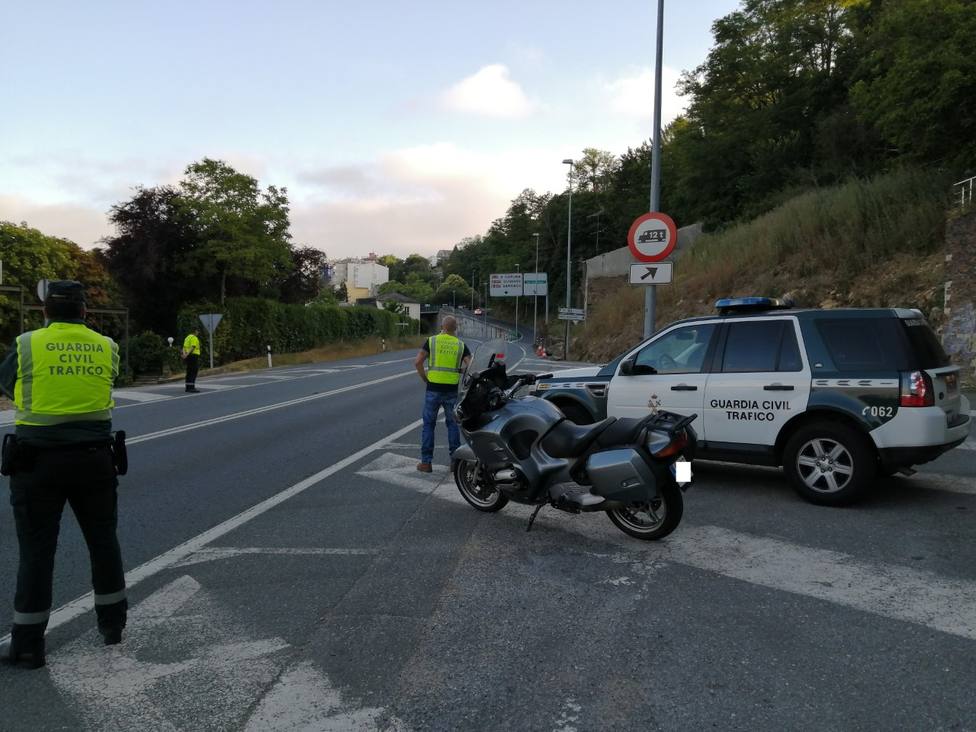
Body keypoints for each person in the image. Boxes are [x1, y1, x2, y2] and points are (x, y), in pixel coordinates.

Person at [0, 281, 127, 669]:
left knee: (37, 553)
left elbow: (6, 382)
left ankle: (28, 646)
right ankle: (112, 627)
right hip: (94, 460)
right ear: (85, 311)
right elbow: (111, 380)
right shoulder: (106, 346)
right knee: (103, 543)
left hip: (36, 462)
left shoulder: (26, 345)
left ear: (45, 313)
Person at [414, 316, 471, 473]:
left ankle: (426, 463)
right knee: (452, 425)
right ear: (455, 328)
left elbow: (418, 362)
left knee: (428, 425)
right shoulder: (460, 345)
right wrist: (460, 372)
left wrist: (425, 378)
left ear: (442, 326)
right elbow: (471, 366)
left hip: (433, 388)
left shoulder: (432, 341)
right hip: (451, 390)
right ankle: (455, 463)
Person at [182, 326, 202, 393]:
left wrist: (185, 355)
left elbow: (184, 347)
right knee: (193, 371)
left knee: (189, 372)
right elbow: (193, 347)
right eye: (198, 331)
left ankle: (188, 387)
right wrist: (187, 354)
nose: (198, 333)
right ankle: (192, 388)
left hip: (188, 357)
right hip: (193, 356)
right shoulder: (194, 338)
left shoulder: (187, 338)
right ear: (195, 331)